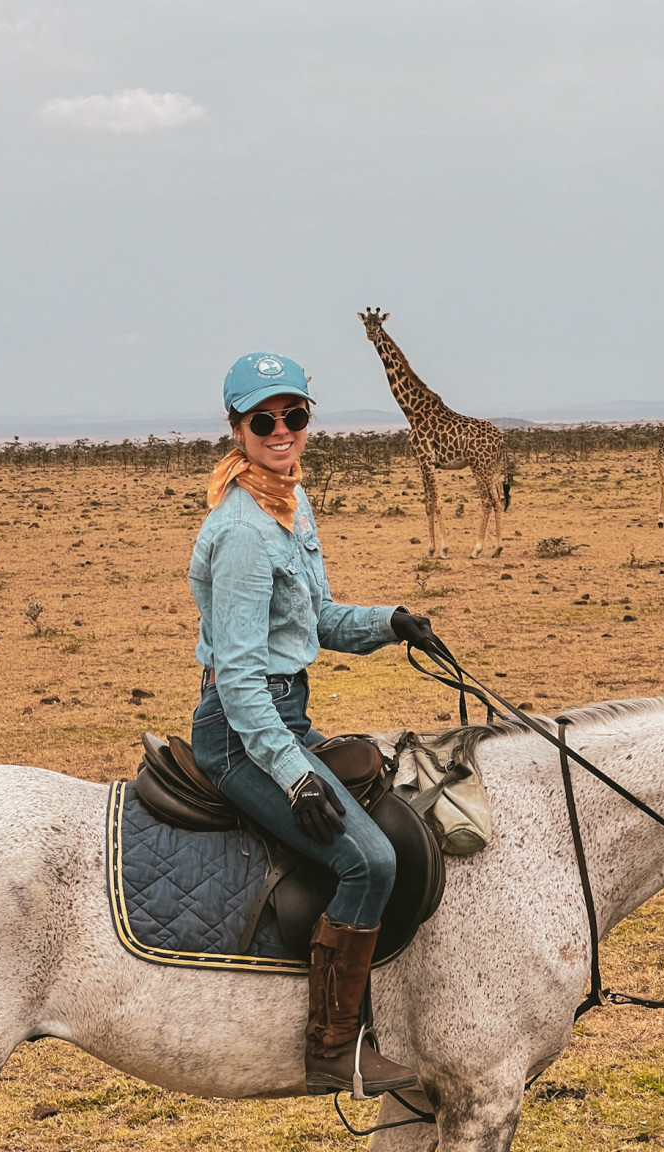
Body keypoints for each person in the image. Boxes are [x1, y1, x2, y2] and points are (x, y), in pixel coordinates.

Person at [189, 352, 440, 1098]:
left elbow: (318, 620)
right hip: (242, 732)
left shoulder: (290, 508)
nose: (280, 431)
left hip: (283, 712)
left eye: (293, 416)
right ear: (237, 429)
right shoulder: (240, 530)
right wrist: (294, 772)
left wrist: (390, 622)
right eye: (263, 420)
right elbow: (237, 678)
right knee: (370, 862)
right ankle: (331, 1047)